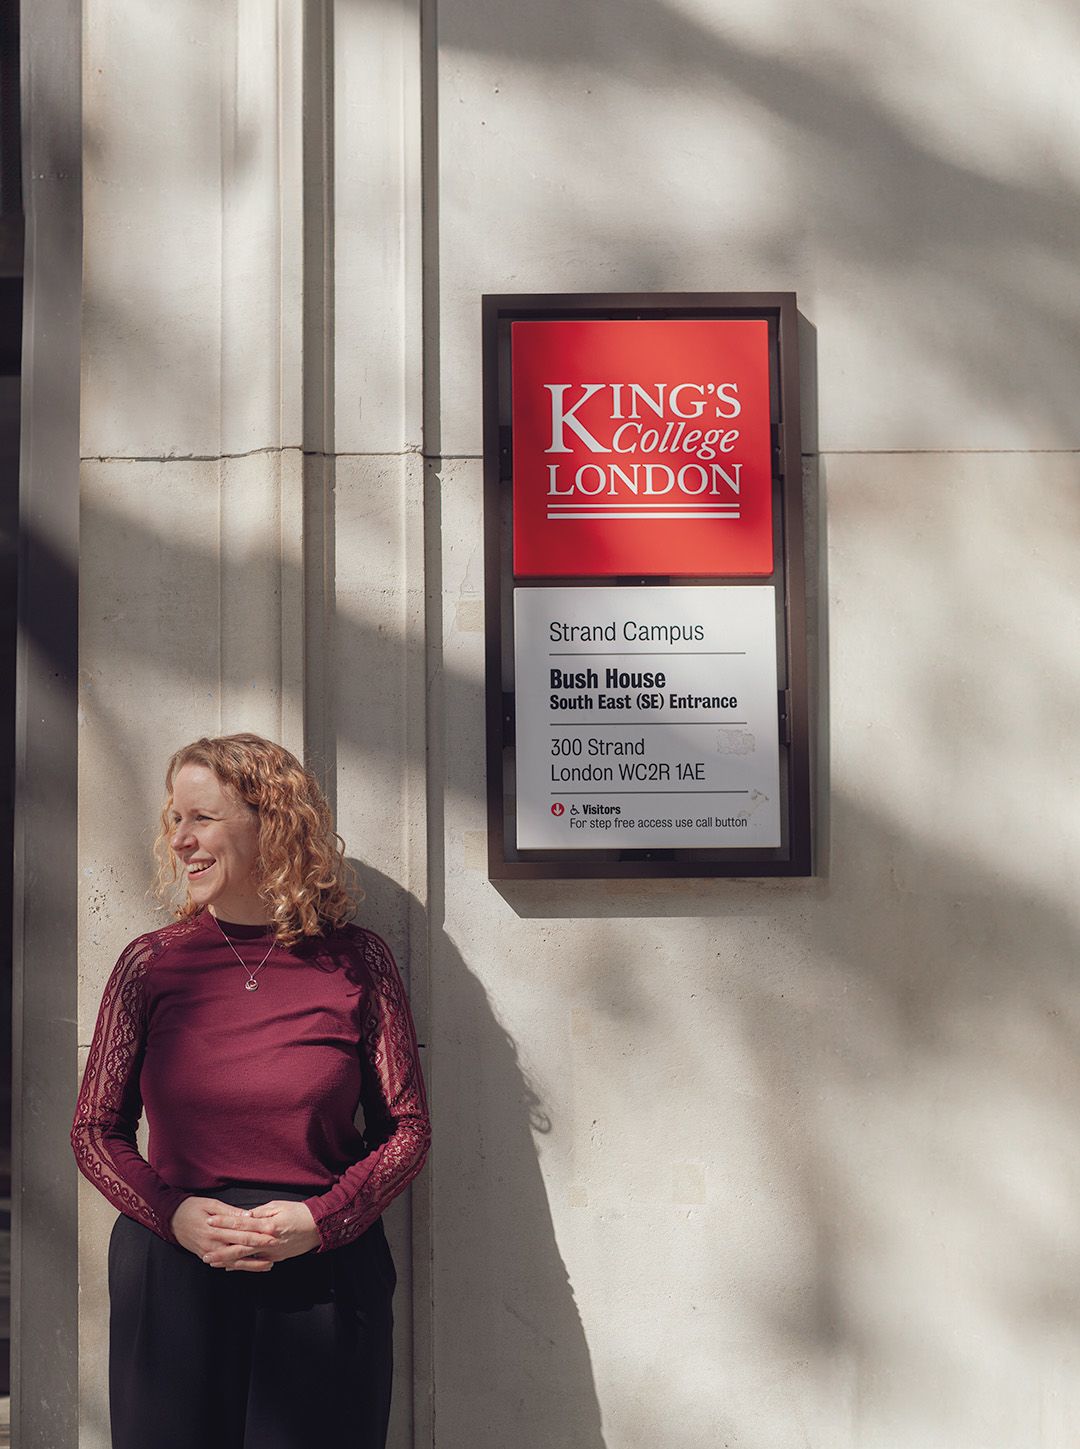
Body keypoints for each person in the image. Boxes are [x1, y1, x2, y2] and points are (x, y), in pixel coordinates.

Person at [70, 733, 431, 1449]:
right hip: (174, 1274)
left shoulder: (357, 961)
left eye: (201, 818)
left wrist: (321, 1221)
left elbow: (408, 1129)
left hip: (323, 1279)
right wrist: (173, 1215)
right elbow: (93, 1129)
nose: (180, 839)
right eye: (175, 819)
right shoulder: (151, 965)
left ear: (271, 821)